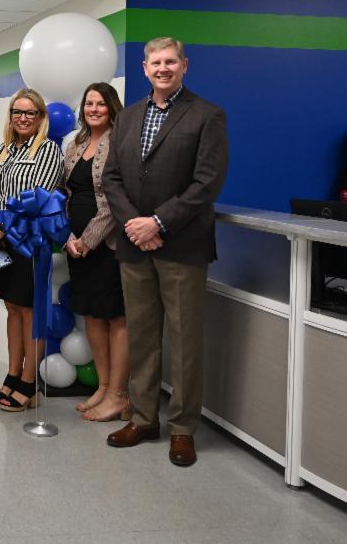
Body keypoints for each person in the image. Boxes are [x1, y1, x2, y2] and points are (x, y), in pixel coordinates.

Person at [101, 37, 228, 468]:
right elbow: (112, 178)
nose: (163, 68)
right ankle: (142, 418)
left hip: (182, 245)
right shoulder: (129, 116)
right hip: (135, 246)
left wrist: (158, 222)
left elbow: (206, 183)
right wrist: (136, 226)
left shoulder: (207, 115)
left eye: (170, 61)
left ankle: (183, 429)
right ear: (144, 67)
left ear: (185, 65)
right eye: (155, 62)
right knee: (142, 337)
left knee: (185, 341)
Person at [0, 89, 64, 413]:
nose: (23, 118)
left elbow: (40, 199)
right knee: (12, 308)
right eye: (18, 111)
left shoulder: (47, 151)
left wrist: (1, 230)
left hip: (31, 245)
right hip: (2, 245)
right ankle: (12, 374)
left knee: (30, 311)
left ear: (41, 116)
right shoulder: (3, 150)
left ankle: (29, 383)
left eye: (30, 113)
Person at [63, 82, 130, 422]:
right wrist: (68, 236)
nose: (94, 109)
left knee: (115, 316)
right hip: (77, 245)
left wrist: (87, 239)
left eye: (101, 104)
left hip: (108, 245)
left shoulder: (119, 142)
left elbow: (113, 200)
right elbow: (66, 194)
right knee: (91, 315)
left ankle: (119, 394)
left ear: (112, 107)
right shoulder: (75, 143)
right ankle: (103, 387)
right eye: (89, 103)